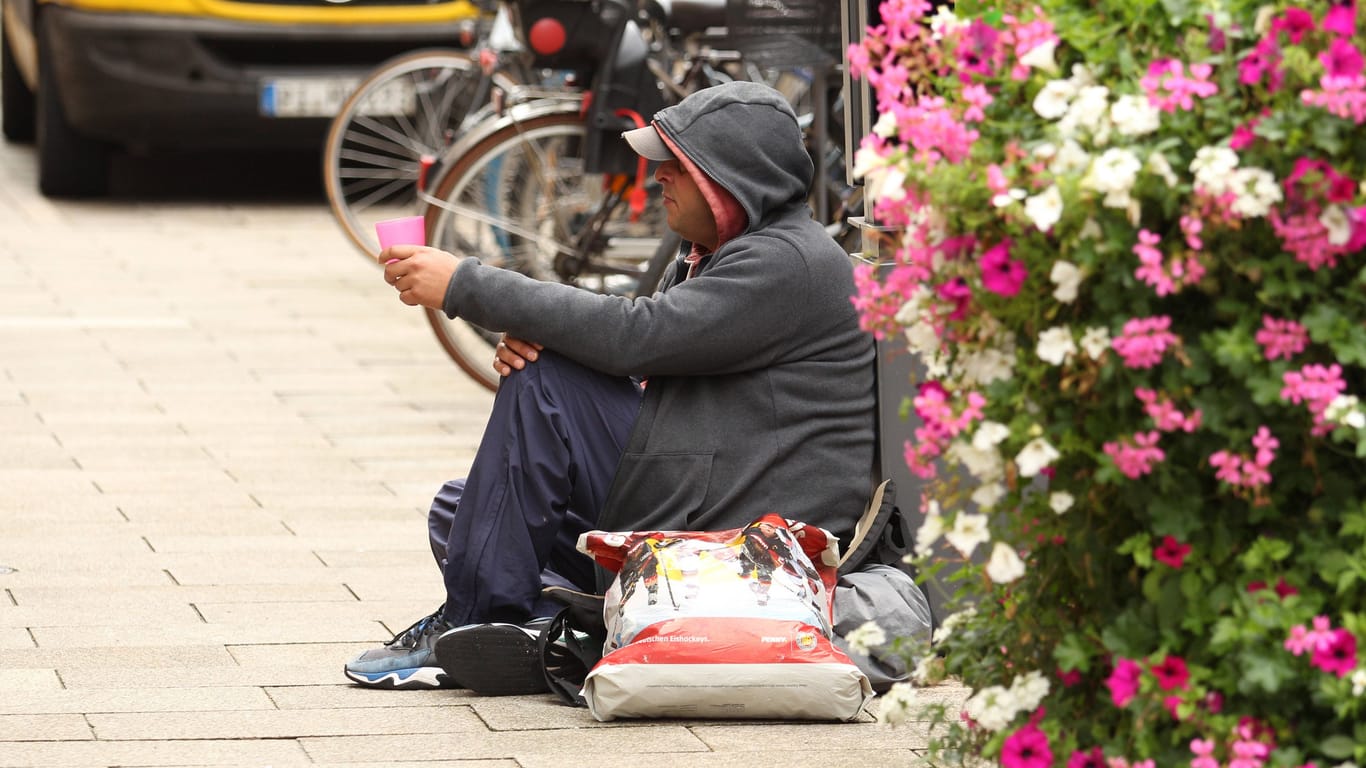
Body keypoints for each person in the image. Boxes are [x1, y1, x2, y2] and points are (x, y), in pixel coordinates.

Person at [343, 80, 877, 695]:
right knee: (467, 511)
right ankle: (537, 626)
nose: (658, 179)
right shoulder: (726, 249)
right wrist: (550, 339)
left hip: (742, 533)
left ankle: (477, 623)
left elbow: (638, 337)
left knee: (541, 388)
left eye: (675, 166)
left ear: (729, 180)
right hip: (704, 486)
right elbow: (649, 348)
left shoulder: (789, 262)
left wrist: (469, 284)